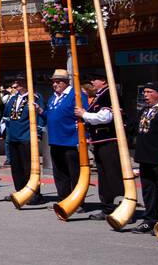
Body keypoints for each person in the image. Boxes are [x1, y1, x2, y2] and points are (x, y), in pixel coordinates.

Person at [78, 72, 120, 219]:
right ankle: (107, 205)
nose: (92, 82)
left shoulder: (108, 94)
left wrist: (84, 115)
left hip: (108, 140)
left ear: (103, 80)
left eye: (94, 79)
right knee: (103, 174)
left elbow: (105, 117)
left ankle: (113, 206)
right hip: (99, 141)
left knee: (110, 175)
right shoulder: (100, 95)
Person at [133, 81, 158, 235]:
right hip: (145, 157)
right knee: (148, 191)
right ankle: (149, 220)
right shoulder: (146, 110)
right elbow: (135, 128)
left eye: (149, 92)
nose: (145, 95)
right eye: (145, 92)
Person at [43, 69, 88, 201]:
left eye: (58, 82)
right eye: (53, 82)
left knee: (74, 173)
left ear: (66, 82)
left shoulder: (76, 95)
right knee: (59, 173)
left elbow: (84, 115)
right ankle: (63, 199)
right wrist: (41, 111)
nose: (55, 84)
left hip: (71, 140)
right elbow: (50, 115)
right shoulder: (53, 97)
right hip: (55, 140)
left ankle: (77, 201)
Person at [0, 73, 43, 198]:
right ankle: (19, 191)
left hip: (27, 137)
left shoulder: (35, 97)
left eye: (18, 83)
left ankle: (34, 193)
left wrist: (38, 134)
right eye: (15, 82)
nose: (15, 85)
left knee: (28, 167)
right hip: (13, 137)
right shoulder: (13, 98)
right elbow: (6, 114)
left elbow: (40, 117)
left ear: (26, 83)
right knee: (16, 168)